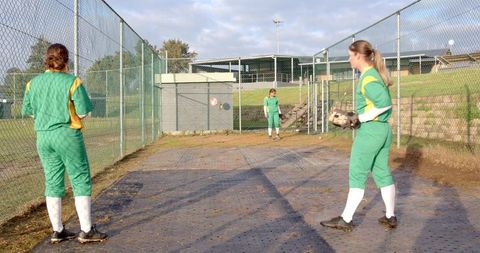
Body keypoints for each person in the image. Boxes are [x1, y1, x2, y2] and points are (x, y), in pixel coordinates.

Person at [22, 43, 107, 243]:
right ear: (66, 60)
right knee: (80, 179)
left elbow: (29, 110)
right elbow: (83, 111)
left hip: (43, 136)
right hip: (67, 135)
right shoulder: (73, 81)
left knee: (52, 181)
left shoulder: (32, 83)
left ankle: (58, 230)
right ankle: (86, 231)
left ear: (47, 59)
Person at [320, 40, 397, 231]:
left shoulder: (368, 78)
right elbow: (378, 104)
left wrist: (358, 117)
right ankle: (390, 216)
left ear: (358, 56)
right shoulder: (373, 75)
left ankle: (346, 219)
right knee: (381, 172)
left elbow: (385, 103)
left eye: (350, 56)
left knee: (357, 173)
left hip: (371, 131)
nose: (348, 59)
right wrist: (357, 117)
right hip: (382, 130)